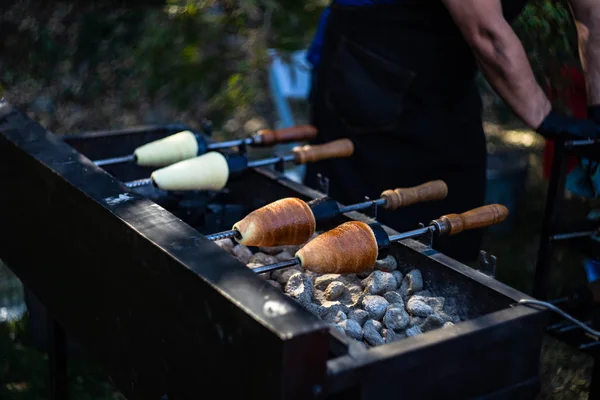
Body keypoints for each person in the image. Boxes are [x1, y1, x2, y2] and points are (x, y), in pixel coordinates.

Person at [303, 0, 600, 264]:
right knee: (358, 214)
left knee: (456, 202)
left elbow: (592, 12)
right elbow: (487, 33)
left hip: (445, 76)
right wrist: (545, 118)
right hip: (371, 60)